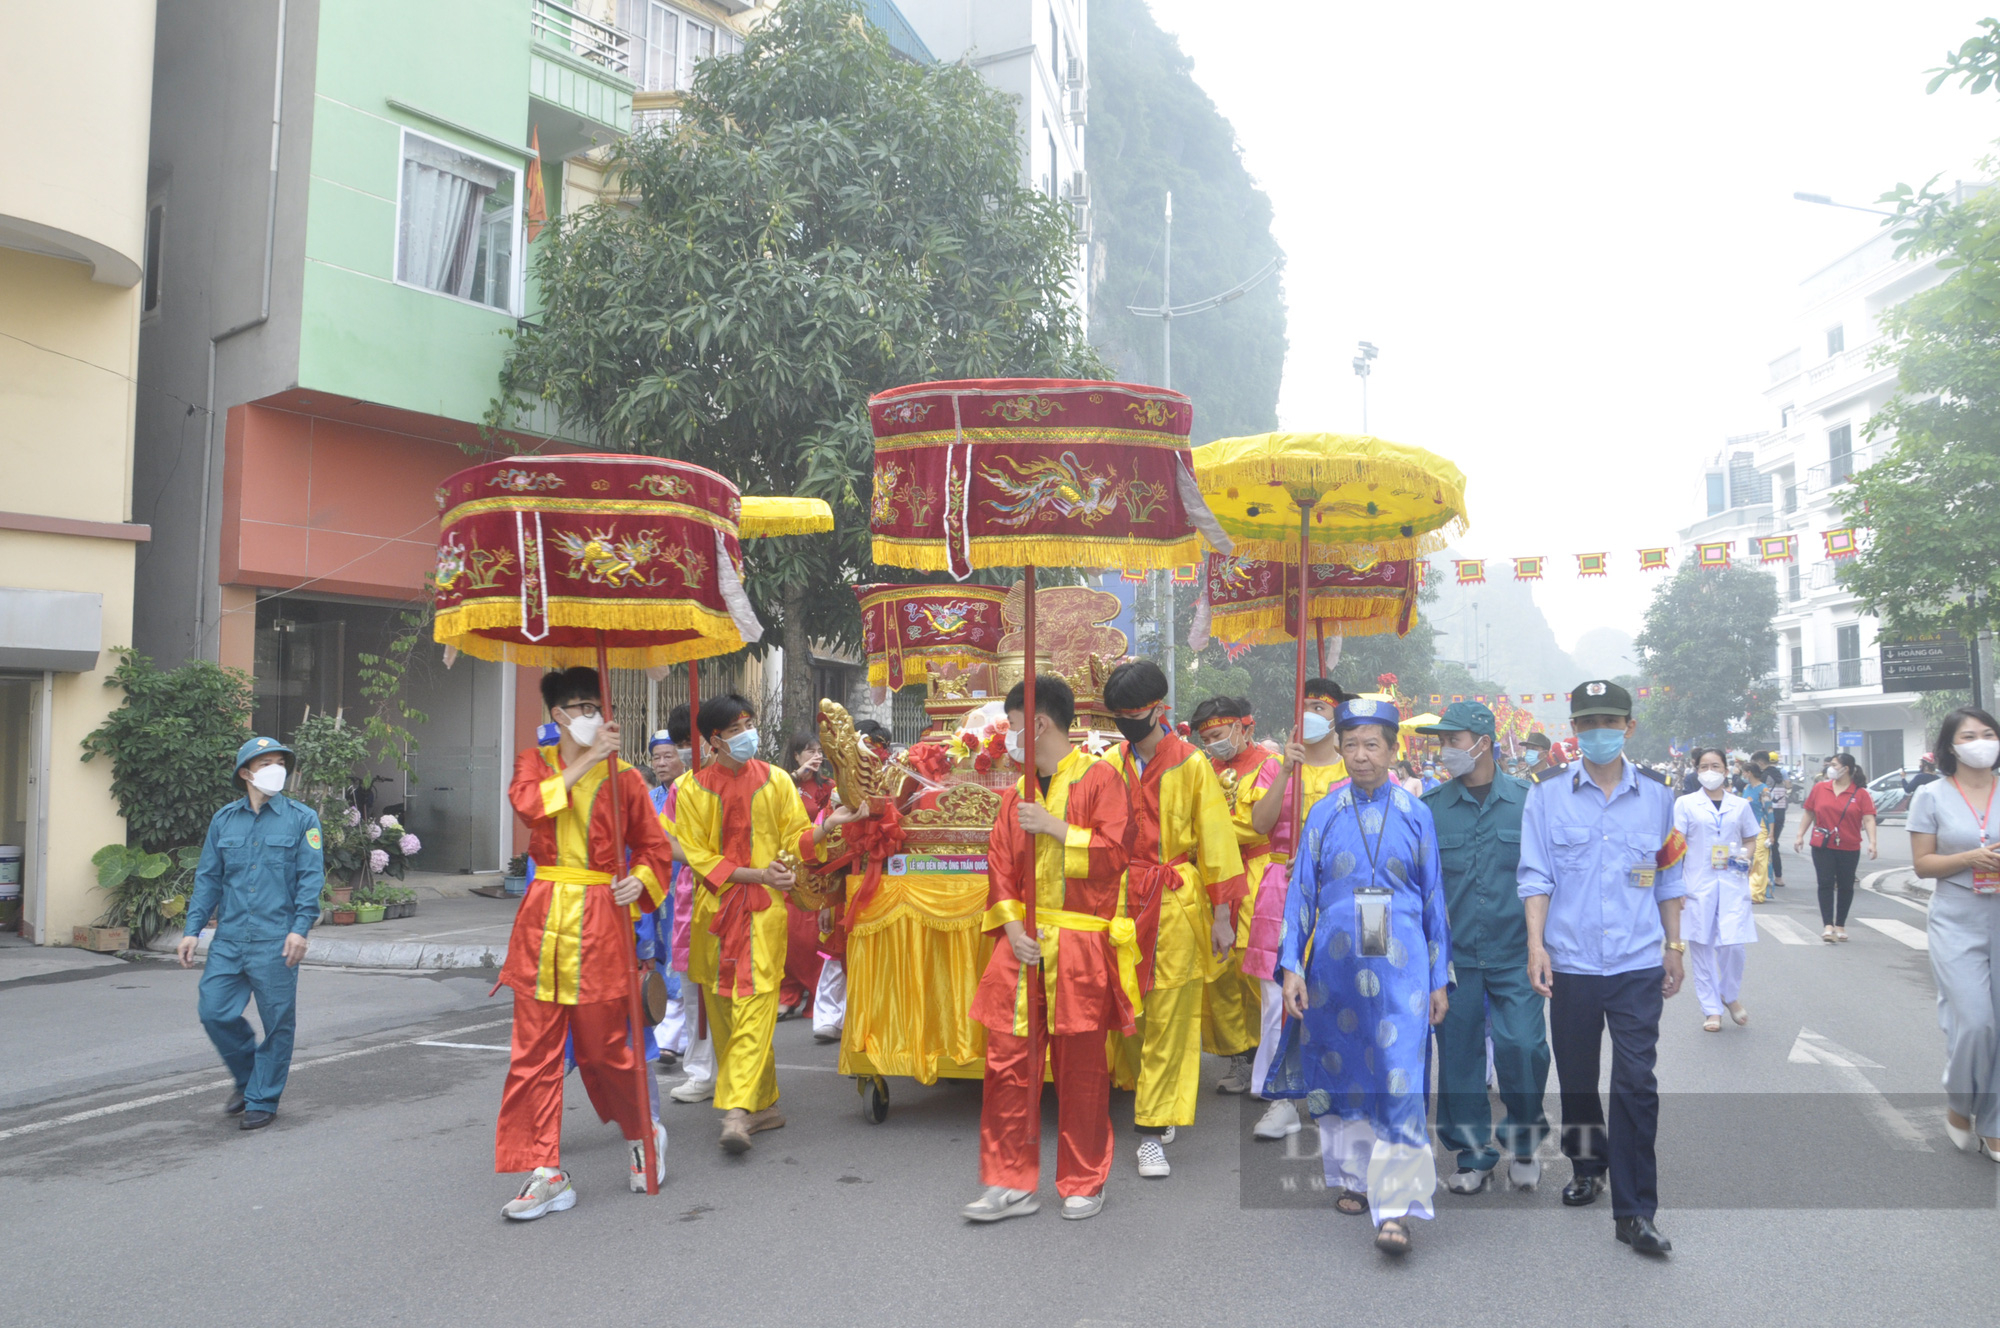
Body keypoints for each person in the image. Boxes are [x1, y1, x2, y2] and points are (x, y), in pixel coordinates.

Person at [1266, 697, 1451, 1255]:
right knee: (1342, 1063)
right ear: (1339, 749)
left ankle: (1395, 1209)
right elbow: (1301, 892)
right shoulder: (1324, 813)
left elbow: (1435, 898)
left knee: (1398, 1073)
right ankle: (1351, 1178)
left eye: (1373, 744)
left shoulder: (1416, 813)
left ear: (1393, 750)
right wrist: (1292, 966)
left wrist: (1440, 975)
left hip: (1404, 969)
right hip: (1335, 967)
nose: (1362, 755)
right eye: (1352, 745)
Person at [494, 668, 674, 1219]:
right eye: (577, 706)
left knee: (607, 1049)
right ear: (559, 716)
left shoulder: (626, 780)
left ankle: (644, 1134)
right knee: (533, 1055)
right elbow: (528, 806)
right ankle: (544, 1170)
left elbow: (654, 848)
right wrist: (587, 760)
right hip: (543, 919)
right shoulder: (534, 764)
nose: (589, 713)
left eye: (594, 703)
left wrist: (639, 881)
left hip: (601, 921)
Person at [1518, 679, 1686, 1257]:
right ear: (1574, 730)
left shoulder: (1661, 796)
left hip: (1638, 961)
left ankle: (1636, 1211)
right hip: (1571, 964)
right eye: (1587, 724)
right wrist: (1537, 946)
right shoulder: (1546, 795)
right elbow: (1536, 875)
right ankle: (1587, 1164)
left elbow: (1669, 876)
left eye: (1609, 723)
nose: (1598, 733)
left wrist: (1675, 945)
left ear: (1629, 727)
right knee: (1578, 1075)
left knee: (1637, 1082)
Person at [961, 676, 1135, 1223]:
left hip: (1078, 941)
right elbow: (999, 865)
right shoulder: (1016, 794)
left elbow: (1115, 854)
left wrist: (1059, 829)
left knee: (1081, 1069)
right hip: (1022, 947)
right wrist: (1012, 930)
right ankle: (1009, 1181)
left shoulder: (1100, 778)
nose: (1009, 736)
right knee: (1008, 1064)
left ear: (1036, 723)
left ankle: (1084, 1178)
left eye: (1012, 724)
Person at [673, 692, 863, 1152]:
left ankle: (736, 1112)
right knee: (723, 1013)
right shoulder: (692, 789)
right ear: (714, 740)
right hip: (714, 914)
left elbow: (795, 839)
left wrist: (827, 825)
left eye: (749, 724)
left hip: (763, 914)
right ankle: (764, 1105)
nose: (746, 735)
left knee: (756, 1007)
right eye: (735, 730)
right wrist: (754, 872)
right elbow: (694, 855)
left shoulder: (777, 781)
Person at [1103, 662, 1245, 1180]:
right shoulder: (1110, 763)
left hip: (1176, 902)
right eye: (1117, 715)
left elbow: (1217, 844)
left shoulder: (1191, 765)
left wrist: (1224, 917)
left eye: (1133, 714)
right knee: (1131, 1015)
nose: (1126, 723)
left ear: (1159, 708)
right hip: (1121, 902)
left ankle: (1151, 1131)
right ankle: (1151, 1098)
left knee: (1169, 1015)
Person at [1417, 702, 1549, 1195]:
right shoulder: (1430, 807)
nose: (1446, 749)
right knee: (1459, 1058)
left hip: (1517, 952)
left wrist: (1544, 943)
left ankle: (1524, 1139)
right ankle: (1473, 1154)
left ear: (1483, 742)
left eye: (1455, 739)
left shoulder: (1528, 801)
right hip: (1456, 959)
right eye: (1443, 741)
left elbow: (1547, 877)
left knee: (1524, 1047)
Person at [177, 736, 325, 1132]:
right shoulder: (225, 820)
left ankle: (262, 1097)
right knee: (214, 1011)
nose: (275, 768)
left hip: (276, 939)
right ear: (245, 773)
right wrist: (192, 930)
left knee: (278, 1021)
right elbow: (208, 878)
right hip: (229, 938)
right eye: (265, 763)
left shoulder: (301, 818)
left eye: (279, 761)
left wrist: (300, 929)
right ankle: (248, 1077)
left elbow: (311, 879)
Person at [1237, 678, 1350, 1142]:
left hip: (1336, 892)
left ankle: (1333, 1090)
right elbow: (1259, 825)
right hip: (1281, 884)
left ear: (1338, 715)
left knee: (1335, 992)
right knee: (1274, 997)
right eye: (1303, 705)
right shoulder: (1275, 768)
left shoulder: (1352, 770)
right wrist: (1284, 771)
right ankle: (1278, 1099)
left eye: (1319, 706)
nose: (1310, 714)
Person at [1909, 709, 2000, 1156]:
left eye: (1989, 734)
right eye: (1970, 735)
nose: (1981, 741)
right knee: (1976, 1022)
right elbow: (1923, 866)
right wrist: (1970, 858)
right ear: (1950, 746)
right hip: (1957, 915)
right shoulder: (1931, 795)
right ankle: (1960, 1099)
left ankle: (1996, 1122)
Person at [1191, 695, 1273, 1094]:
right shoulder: (1204, 769)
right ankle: (1240, 1058)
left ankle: (1270, 1057)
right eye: (1205, 738)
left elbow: (1259, 827)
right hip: (1214, 881)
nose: (1212, 745)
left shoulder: (1269, 766)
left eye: (1218, 735)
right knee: (1221, 975)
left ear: (1244, 726)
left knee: (1255, 969)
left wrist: (1214, 830)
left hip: (1255, 876)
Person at [1674, 749, 1760, 1032]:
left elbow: (1750, 839)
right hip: (1698, 883)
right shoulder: (1686, 804)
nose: (1710, 770)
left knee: (1733, 945)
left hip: (1732, 881)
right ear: (1696, 771)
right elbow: (1677, 845)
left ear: (1726, 770)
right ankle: (1712, 1009)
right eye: (1704, 766)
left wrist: (1746, 855)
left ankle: (1729, 993)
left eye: (1716, 765)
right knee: (1701, 947)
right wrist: (1677, 887)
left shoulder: (1740, 805)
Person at [1796, 753, 1877, 943]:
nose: (1829, 768)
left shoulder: (1861, 794)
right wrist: (1800, 835)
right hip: (1823, 845)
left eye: (1833, 765)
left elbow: (1868, 818)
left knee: (1845, 885)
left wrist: (1872, 842)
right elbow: (1809, 812)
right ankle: (1828, 925)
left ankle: (1840, 924)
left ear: (1845, 768)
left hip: (1849, 846)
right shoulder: (1820, 788)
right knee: (1824, 883)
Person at [1762, 766, 1790, 889]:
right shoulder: (1781, 774)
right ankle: (1778, 877)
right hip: (1780, 814)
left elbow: (1764, 802)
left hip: (1768, 814)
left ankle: (1764, 877)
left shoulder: (1764, 778)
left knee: (1764, 846)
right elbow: (1788, 786)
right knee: (1774, 845)